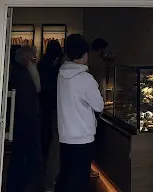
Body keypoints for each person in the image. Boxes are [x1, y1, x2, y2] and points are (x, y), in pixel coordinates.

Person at [55, 34, 104, 192]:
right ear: (85, 54)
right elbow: (99, 106)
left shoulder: (61, 75)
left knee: (66, 175)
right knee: (81, 179)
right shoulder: (86, 79)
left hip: (65, 135)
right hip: (83, 138)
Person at [7, 45, 43, 192]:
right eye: (34, 57)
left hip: (21, 122)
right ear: (27, 58)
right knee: (25, 159)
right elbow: (27, 102)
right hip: (26, 122)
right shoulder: (24, 75)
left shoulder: (17, 72)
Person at [38, 39, 64, 192]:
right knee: (55, 138)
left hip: (44, 102)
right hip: (54, 103)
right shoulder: (56, 65)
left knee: (47, 133)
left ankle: (44, 154)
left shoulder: (42, 62)